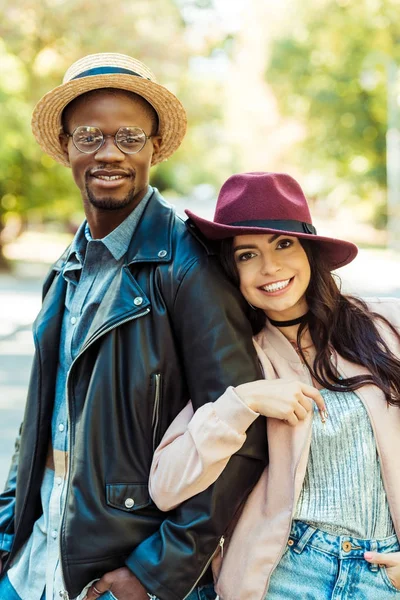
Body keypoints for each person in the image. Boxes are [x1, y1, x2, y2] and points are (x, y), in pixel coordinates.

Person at [0, 54, 268, 600]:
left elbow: (242, 434)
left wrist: (154, 572)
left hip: (122, 567)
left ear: (152, 147)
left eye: (128, 136)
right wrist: (8, 525)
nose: (109, 153)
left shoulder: (187, 266)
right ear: (67, 148)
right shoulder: (66, 267)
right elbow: (38, 424)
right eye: (89, 136)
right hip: (35, 553)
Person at [149, 171, 400, 599]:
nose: (270, 268)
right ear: (231, 271)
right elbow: (166, 487)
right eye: (247, 254)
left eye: (283, 244)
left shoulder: (385, 326)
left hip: (384, 575)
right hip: (283, 577)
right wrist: (241, 402)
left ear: (309, 251)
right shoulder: (234, 359)